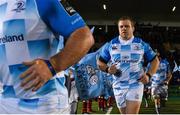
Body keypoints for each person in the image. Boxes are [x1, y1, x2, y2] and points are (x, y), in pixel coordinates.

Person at [0, 0, 94, 114]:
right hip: (4, 102)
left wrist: (53, 65)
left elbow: (84, 37)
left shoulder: (42, 1)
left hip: (43, 104)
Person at [97, 16, 159, 114]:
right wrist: (108, 69)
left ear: (133, 28)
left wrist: (148, 75)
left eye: (127, 26)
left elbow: (155, 60)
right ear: (118, 29)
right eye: (121, 26)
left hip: (135, 84)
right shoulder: (110, 45)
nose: (124, 28)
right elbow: (100, 62)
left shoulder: (141, 44)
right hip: (118, 85)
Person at [150, 49, 172, 114]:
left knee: (163, 100)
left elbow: (170, 75)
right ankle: (158, 113)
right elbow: (148, 74)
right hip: (154, 85)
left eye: (156, 53)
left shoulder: (166, 63)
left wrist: (167, 81)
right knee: (156, 99)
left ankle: (162, 102)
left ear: (159, 54)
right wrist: (148, 86)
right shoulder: (150, 64)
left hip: (163, 85)